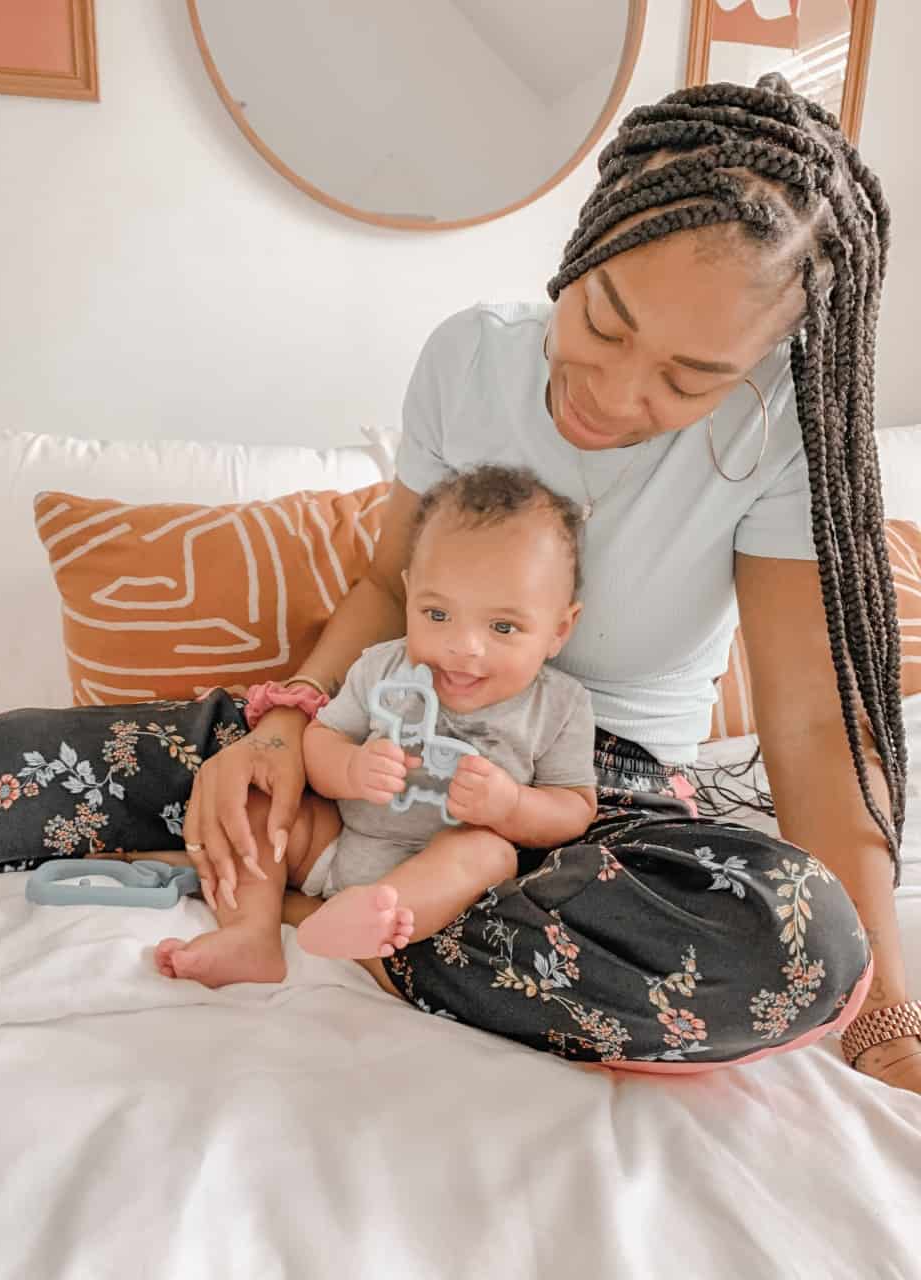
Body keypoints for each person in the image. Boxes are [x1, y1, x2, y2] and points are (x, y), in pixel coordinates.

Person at [180, 75, 920, 1087]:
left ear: (760, 361)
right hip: (390, 730)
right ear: (584, 244)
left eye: (688, 377)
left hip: (595, 800)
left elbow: (812, 732)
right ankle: (361, 890)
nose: (613, 396)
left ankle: (339, 908)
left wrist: (883, 1020)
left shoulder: (782, 437)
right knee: (49, 760)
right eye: (605, 323)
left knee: (806, 950)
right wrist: (279, 728)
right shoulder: (469, 356)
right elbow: (392, 593)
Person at [154, 466, 597, 985]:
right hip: (340, 841)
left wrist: (512, 806)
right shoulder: (382, 668)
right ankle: (250, 935)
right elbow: (320, 742)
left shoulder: (560, 705)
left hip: (434, 875)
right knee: (260, 803)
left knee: (488, 852)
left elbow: (575, 807)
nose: (463, 646)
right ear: (408, 595)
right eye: (437, 615)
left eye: (503, 627)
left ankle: (372, 919)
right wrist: (350, 768)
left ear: (558, 630)